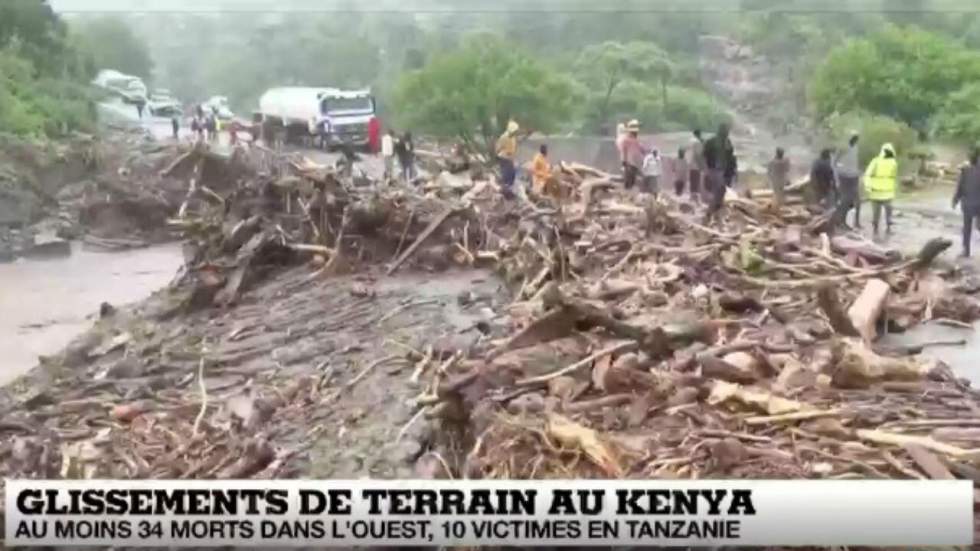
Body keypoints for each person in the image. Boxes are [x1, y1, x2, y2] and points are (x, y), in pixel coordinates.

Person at [703, 123, 736, 224]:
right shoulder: (712, 142)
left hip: (724, 171)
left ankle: (715, 215)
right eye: (725, 131)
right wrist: (706, 169)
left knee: (721, 193)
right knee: (719, 190)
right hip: (714, 169)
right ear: (721, 131)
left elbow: (731, 157)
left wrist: (732, 172)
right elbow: (704, 155)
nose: (727, 133)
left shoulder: (728, 142)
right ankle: (709, 215)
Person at [864, 143, 898, 236]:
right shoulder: (878, 161)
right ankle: (877, 228)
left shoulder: (889, 162)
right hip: (880, 192)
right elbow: (868, 174)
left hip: (883, 192)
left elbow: (893, 176)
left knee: (884, 210)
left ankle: (884, 228)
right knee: (882, 211)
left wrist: (867, 186)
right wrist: (867, 186)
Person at [953, 149, 980, 257]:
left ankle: (966, 250)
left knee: (967, 227)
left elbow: (960, 187)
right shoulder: (965, 171)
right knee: (972, 227)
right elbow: (960, 186)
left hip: (968, 203)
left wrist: (955, 199)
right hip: (973, 203)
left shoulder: (965, 171)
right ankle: (965, 249)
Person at [835, 131, 862, 229]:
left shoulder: (856, 147)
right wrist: (837, 178)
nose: (855, 140)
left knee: (857, 200)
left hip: (854, 176)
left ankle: (856, 222)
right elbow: (834, 162)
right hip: (844, 176)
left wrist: (858, 171)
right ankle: (841, 221)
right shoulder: (842, 148)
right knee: (845, 200)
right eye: (854, 137)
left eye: (856, 138)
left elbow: (855, 161)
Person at [620, 120, 647, 190]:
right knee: (630, 181)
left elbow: (643, 150)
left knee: (630, 181)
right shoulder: (630, 141)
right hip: (631, 164)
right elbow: (643, 150)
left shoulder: (632, 141)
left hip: (632, 164)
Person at [495, 120, 519, 199]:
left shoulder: (513, 138)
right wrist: (499, 154)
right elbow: (498, 147)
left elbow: (514, 148)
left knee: (512, 174)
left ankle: (509, 189)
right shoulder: (504, 137)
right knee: (506, 174)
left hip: (510, 157)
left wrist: (513, 157)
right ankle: (505, 190)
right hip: (504, 157)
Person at [689, 129, 705, 202]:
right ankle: (696, 199)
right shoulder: (697, 142)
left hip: (690, 163)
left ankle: (692, 197)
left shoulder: (690, 141)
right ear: (699, 134)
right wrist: (701, 165)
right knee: (696, 180)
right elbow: (698, 155)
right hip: (696, 165)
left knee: (692, 180)